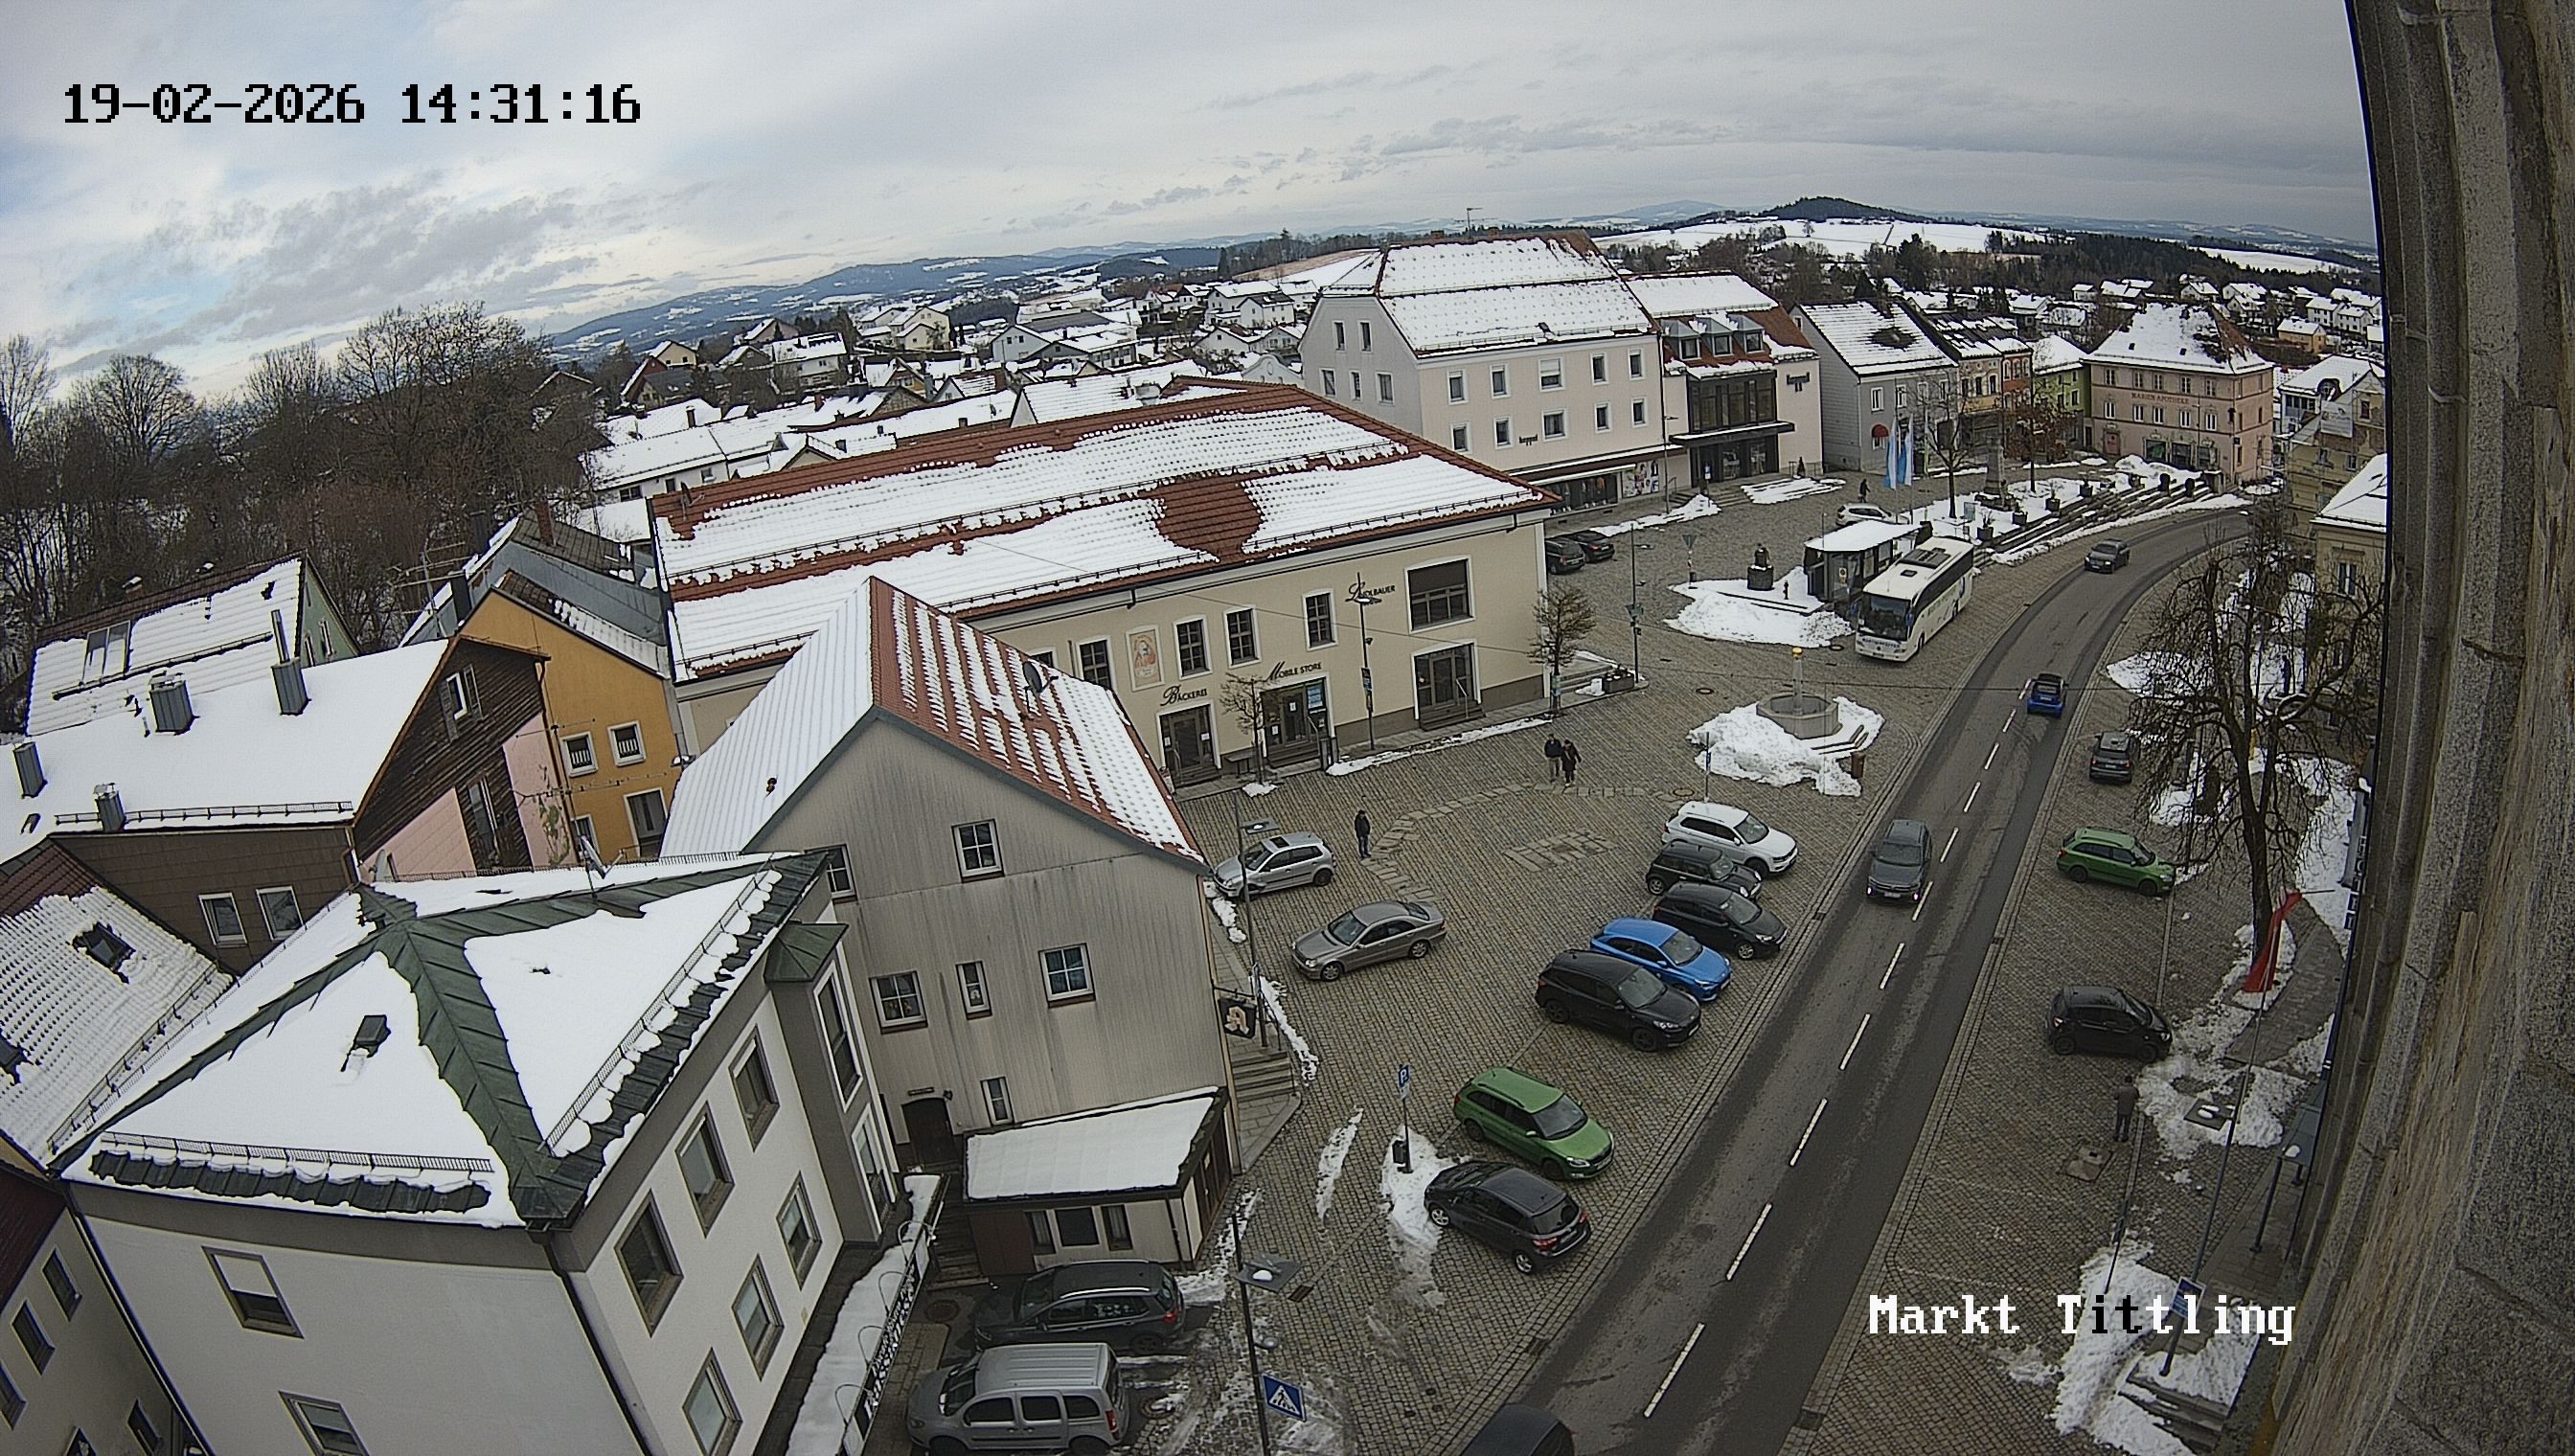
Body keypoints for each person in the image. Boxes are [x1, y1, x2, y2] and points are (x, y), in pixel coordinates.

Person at [2112, 1076, 2139, 1143]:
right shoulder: (2133, 1090)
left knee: (2118, 1123)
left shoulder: (2120, 1089)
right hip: (2129, 1109)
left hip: (2121, 1108)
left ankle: (2116, 1135)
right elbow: (2137, 1096)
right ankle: (2124, 1136)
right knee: (2127, 1124)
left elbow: (2115, 1097)